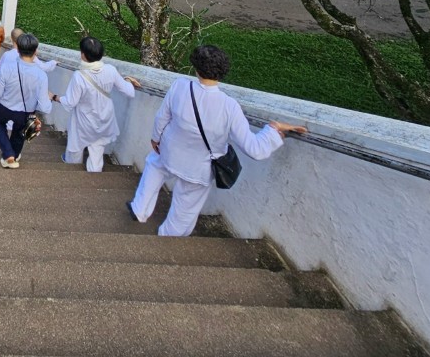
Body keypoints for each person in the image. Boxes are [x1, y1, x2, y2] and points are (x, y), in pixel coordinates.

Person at [129, 44, 305, 236]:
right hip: (199, 168)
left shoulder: (180, 86)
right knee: (184, 209)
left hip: (169, 151)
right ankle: (168, 237)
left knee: (154, 165)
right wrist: (274, 130)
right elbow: (254, 149)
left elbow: (161, 117)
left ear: (196, 67)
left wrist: (156, 138)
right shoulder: (230, 107)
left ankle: (140, 209)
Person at [56, 36, 141, 172]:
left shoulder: (79, 76)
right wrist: (128, 81)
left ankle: (71, 170)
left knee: (76, 147)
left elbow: (70, 102)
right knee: (97, 150)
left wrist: (54, 97)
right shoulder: (110, 70)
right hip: (104, 118)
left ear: (83, 55)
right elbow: (129, 91)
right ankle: (94, 175)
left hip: (83, 120)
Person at [0, 31, 53, 168]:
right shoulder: (41, 75)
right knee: (20, 131)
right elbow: (45, 107)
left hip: (3, 106)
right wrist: (49, 98)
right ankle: (13, 155)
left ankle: (8, 154)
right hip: (25, 111)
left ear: (17, 48)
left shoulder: (7, 68)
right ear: (35, 51)